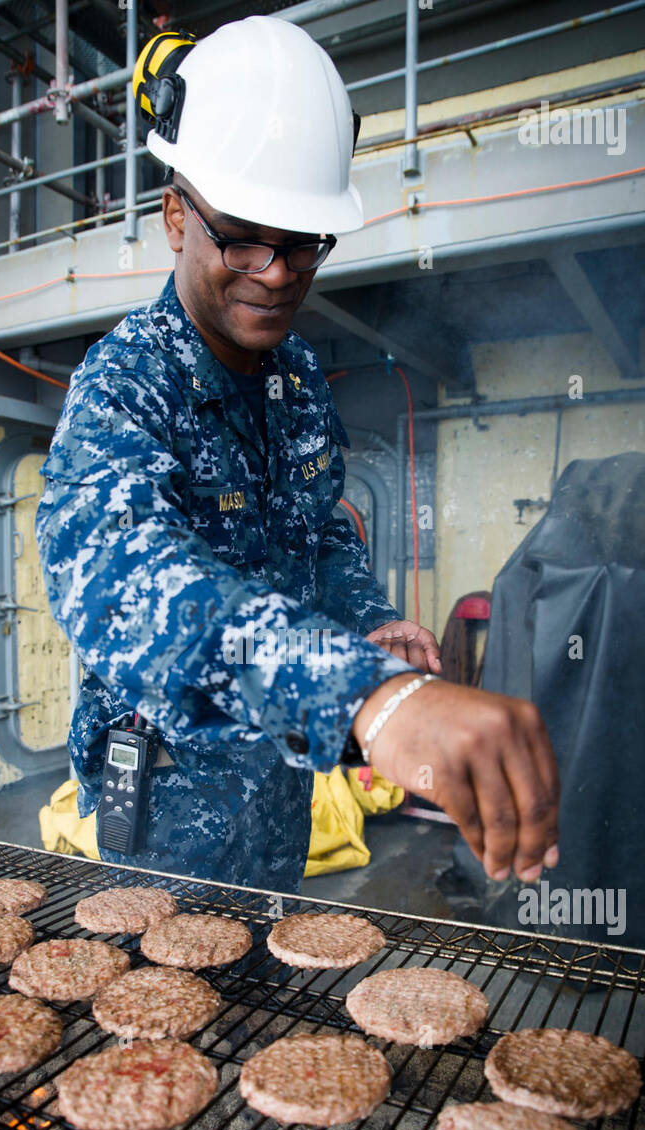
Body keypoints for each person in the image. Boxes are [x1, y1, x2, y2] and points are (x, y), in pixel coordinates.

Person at [36, 16, 559, 895]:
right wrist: (365, 694)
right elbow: (118, 583)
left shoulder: (297, 377)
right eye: (243, 237)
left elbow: (317, 536)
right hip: (170, 806)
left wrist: (367, 621)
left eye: (303, 242)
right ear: (176, 217)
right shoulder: (126, 382)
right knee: (164, 983)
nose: (277, 273)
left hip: (282, 785)